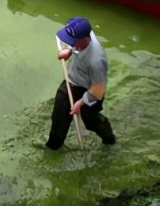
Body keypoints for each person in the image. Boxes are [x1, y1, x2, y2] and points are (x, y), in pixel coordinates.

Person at [45, 17, 116, 150]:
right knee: (59, 116)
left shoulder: (96, 61)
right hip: (72, 81)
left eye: (73, 42)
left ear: (84, 39)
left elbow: (98, 89)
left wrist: (81, 102)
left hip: (90, 89)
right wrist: (70, 51)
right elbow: (75, 41)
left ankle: (108, 137)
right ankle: (53, 145)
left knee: (90, 120)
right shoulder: (83, 36)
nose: (70, 42)